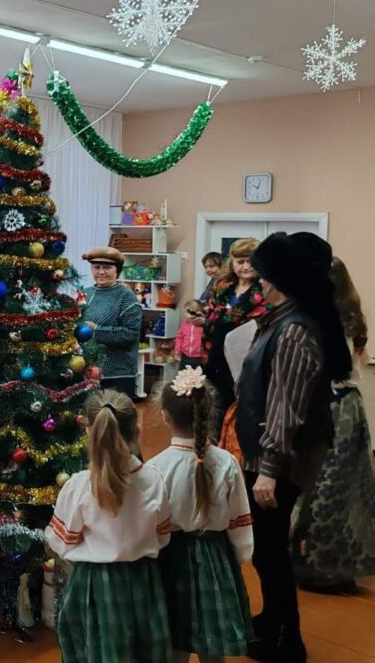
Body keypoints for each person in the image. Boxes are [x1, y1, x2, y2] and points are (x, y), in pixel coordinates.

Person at [235, 232, 351, 663]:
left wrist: (268, 470)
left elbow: (286, 408)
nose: (258, 282)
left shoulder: (295, 331)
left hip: (279, 461)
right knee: (266, 550)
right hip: (269, 455)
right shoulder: (281, 320)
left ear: (280, 279)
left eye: (263, 275)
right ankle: (272, 621)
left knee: (270, 551)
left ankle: (287, 640)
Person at [45, 390, 172, 663]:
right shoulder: (154, 479)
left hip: (94, 586)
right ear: (136, 431)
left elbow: (61, 541)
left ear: (89, 432)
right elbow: (162, 536)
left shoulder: (79, 485)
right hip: (143, 581)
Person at [149, 367, 254, 663]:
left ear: (165, 417)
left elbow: (152, 526)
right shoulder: (227, 462)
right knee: (212, 639)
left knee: (175, 638)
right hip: (215, 558)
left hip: (171, 559)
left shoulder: (156, 468)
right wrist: (239, 555)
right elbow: (240, 520)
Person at [290, 256, 375, 592]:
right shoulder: (351, 316)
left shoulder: (316, 319)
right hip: (348, 405)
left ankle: (319, 563)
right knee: (344, 486)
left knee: (321, 484)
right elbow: (359, 364)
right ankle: (335, 562)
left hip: (329, 406)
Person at [202, 238, 268, 430]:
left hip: (245, 363)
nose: (246, 267)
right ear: (232, 263)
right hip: (215, 359)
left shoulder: (266, 289)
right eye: (240, 262)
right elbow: (211, 317)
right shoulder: (222, 286)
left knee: (238, 420)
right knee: (213, 414)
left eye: (250, 261)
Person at [82, 246, 142, 398]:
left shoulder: (126, 297)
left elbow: (130, 334)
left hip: (117, 375)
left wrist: (96, 330)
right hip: (88, 372)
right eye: (96, 267)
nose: (101, 272)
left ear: (117, 270)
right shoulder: (85, 294)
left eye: (107, 267)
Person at [174, 299, 205, 370]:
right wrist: (177, 351)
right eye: (185, 311)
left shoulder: (201, 326)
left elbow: (205, 340)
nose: (184, 314)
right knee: (183, 374)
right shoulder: (184, 325)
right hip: (185, 356)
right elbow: (179, 338)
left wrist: (204, 355)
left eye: (187, 312)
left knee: (197, 375)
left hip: (198, 357)